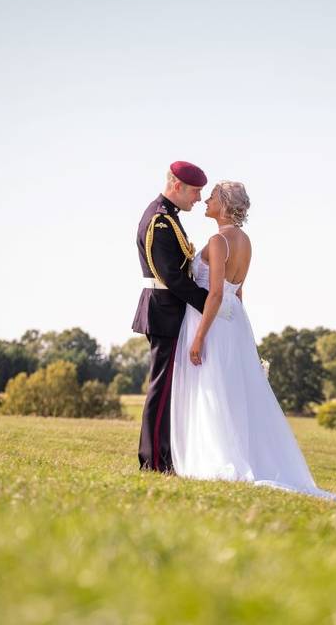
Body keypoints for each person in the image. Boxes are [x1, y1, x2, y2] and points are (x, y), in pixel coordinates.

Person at [170, 181, 336, 501]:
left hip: (214, 320)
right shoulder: (245, 241)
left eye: (213, 197)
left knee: (213, 389)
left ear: (224, 204)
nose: (206, 200)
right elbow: (239, 292)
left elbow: (216, 292)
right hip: (235, 322)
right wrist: (241, 335)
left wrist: (199, 336)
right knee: (231, 391)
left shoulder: (219, 240)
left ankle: (218, 454)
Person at [132, 161, 209, 473]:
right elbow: (173, 279)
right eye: (195, 191)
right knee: (162, 390)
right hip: (164, 310)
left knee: (167, 388)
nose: (199, 199)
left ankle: (162, 457)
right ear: (177, 186)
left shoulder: (168, 216)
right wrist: (212, 304)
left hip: (167, 309)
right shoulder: (160, 221)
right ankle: (153, 461)